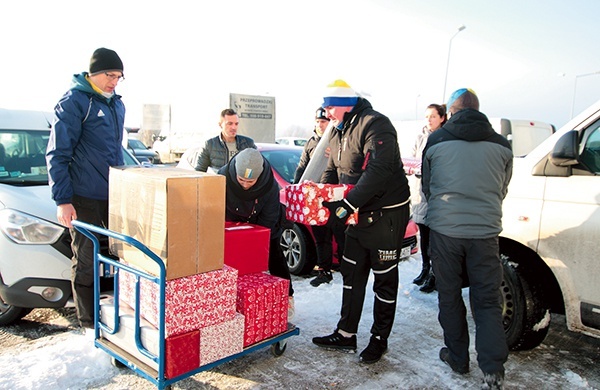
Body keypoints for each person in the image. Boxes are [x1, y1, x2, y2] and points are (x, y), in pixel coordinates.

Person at [312, 80, 411, 364]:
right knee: (352, 273)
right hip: (355, 214)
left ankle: (379, 339)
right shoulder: (336, 131)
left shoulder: (376, 124)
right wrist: (323, 200)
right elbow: (331, 171)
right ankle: (346, 334)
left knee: (384, 279)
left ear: (344, 104)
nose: (326, 112)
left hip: (385, 214)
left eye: (329, 106)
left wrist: (348, 204)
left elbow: (379, 170)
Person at [421, 88, 512, 389]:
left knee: (449, 295)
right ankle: (493, 369)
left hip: (446, 232)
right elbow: (502, 188)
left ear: (453, 111)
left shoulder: (437, 140)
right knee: (487, 300)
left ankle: (458, 357)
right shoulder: (501, 144)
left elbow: (428, 186)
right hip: (485, 233)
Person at [46, 48, 126, 330]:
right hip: (83, 197)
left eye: (118, 77)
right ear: (93, 73)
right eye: (110, 75)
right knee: (86, 258)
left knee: (120, 255)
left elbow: (114, 152)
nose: (114, 81)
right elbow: (57, 153)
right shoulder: (75, 102)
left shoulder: (117, 104)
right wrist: (63, 199)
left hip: (113, 196)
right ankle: (88, 324)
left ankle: (119, 315)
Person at [217, 148, 295, 318]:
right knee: (230, 262)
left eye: (250, 181)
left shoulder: (270, 185)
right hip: (231, 222)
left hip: (261, 222)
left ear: (258, 177)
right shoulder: (222, 177)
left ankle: (286, 297)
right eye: (241, 180)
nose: (245, 185)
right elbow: (215, 208)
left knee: (274, 255)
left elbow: (269, 217)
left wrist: (255, 242)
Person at [293, 107, 345, 287]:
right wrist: (297, 186)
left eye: (325, 121)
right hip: (315, 198)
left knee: (341, 235)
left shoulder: (338, 139)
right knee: (321, 236)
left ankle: (348, 270)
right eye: (319, 122)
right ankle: (324, 271)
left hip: (336, 196)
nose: (321, 125)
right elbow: (302, 167)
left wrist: (336, 155)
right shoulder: (311, 143)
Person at [411, 103, 447, 293]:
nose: (429, 120)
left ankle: (434, 274)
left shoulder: (444, 137)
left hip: (434, 193)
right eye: (427, 117)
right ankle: (425, 268)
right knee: (423, 236)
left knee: (435, 239)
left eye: (433, 116)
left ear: (442, 118)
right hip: (420, 192)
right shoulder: (420, 137)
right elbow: (414, 159)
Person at [193, 108, 256, 172]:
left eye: (236, 124)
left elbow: (257, 167)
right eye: (230, 123)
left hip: (241, 182)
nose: (234, 127)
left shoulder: (248, 143)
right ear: (220, 125)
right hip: (219, 181)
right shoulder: (210, 145)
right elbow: (199, 171)